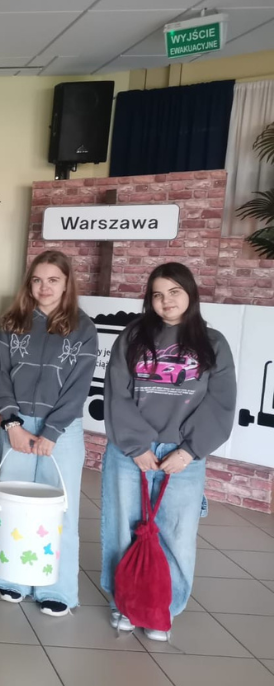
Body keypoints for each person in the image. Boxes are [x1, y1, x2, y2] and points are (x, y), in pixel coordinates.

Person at [101, 263, 235, 641]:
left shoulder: (213, 343)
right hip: (130, 452)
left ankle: (164, 609)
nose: (166, 301)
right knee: (122, 529)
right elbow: (117, 393)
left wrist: (190, 451)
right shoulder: (132, 337)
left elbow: (220, 402)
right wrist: (136, 446)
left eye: (174, 292)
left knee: (177, 533)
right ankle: (125, 603)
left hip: (183, 455)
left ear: (190, 293)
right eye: (158, 294)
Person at [0, 250, 98, 616]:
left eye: (53, 280)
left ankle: (57, 588)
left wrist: (51, 432)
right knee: (15, 505)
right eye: (37, 280)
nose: (44, 287)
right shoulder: (11, 323)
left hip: (62, 430)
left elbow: (78, 387)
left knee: (59, 509)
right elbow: (0, 377)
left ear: (67, 284)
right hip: (17, 426)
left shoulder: (84, 329)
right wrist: (12, 424)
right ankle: (14, 577)